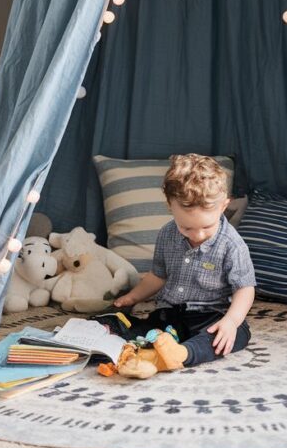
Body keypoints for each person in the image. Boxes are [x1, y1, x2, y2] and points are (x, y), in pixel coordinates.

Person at [109, 154, 256, 368]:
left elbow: (245, 289)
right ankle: (122, 342)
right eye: (186, 227)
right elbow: (158, 275)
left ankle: (182, 353)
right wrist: (132, 297)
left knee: (236, 334)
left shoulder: (232, 245)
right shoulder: (167, 234)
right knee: (136, 327)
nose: (196, 235)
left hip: (209, 315)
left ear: (223, 206)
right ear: (170, 206)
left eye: (206, 227)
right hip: (170, 314)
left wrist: (231, 321)